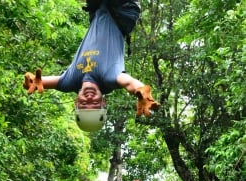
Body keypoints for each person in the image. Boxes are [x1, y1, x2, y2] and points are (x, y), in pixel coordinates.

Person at [23, 0, 160, 132]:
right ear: (103, 103)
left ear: (76, 102)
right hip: (122, 11)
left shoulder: (70, 82)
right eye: (94, 104)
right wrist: (142, 93)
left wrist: (34, 81)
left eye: (83, 105)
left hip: (98, 10)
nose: (89, 99)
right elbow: (129, 83)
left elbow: (43, 82)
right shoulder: (109, 78)